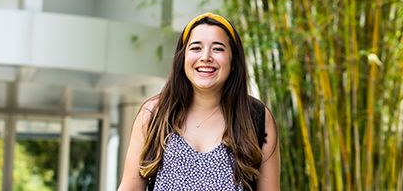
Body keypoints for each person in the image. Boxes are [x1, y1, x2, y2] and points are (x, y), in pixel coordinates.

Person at [117, 13, 280, 191]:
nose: (206, 57)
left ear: (234, 61)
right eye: (196, 48)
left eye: (218, 49)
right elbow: (130, 187)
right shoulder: (154, 114)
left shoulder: (256, 118)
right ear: (182, 59)